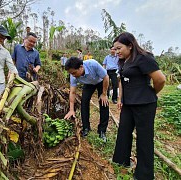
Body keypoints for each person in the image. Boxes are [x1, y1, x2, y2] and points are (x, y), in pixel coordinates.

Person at [112, 32, 166, 180]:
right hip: (128, 103)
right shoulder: (124, 61)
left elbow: (160, 79)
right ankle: (121, 160)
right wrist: (121, 99)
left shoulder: (144, 58)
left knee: (144, 138)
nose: (117, 52)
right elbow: (122, 81)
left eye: (119, 48)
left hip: (144, 104)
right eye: (115, 49)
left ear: (130, 45)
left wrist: (151, 93)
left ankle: (144, 174)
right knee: (124, 131)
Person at [64, 57, 109, 141]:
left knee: (104, 103)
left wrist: (104, 94)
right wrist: (71, 110)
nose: (73, 75)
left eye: (74, 72)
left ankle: (102, 131)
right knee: (84, 102)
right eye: (71, 73)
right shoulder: (73, 75)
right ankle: (86, 128)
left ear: (81, 67)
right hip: (88, 84)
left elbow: (106, 77)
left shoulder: (93, 64)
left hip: (101, 82)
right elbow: (72, 92)